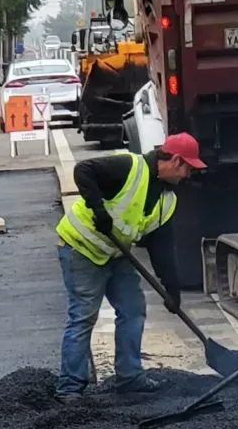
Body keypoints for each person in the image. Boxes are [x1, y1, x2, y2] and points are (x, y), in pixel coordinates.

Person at [53, 131, 205, 397]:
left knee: (133, 309)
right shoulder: (129, 167)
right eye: (188, 169)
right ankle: (70, 387)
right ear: (176, 160)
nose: (188, 176)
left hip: (116, 254)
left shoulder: (167, 200)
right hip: (80, 248)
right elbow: (84, 170)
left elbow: (163, 247)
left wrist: (172, 289)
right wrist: (98, 209)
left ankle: (129, 376)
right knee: (83, 316)